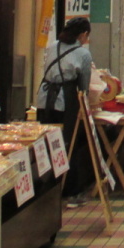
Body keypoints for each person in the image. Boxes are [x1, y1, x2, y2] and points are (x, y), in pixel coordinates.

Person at [35, 17, 94, 206]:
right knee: (70, 142)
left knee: (47, 141)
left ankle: (47, 187)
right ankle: (71, 191)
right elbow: (83, 85)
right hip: (66, 99)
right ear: (83, 34)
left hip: (45, 99)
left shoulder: (53, 46)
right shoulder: (83, 54)